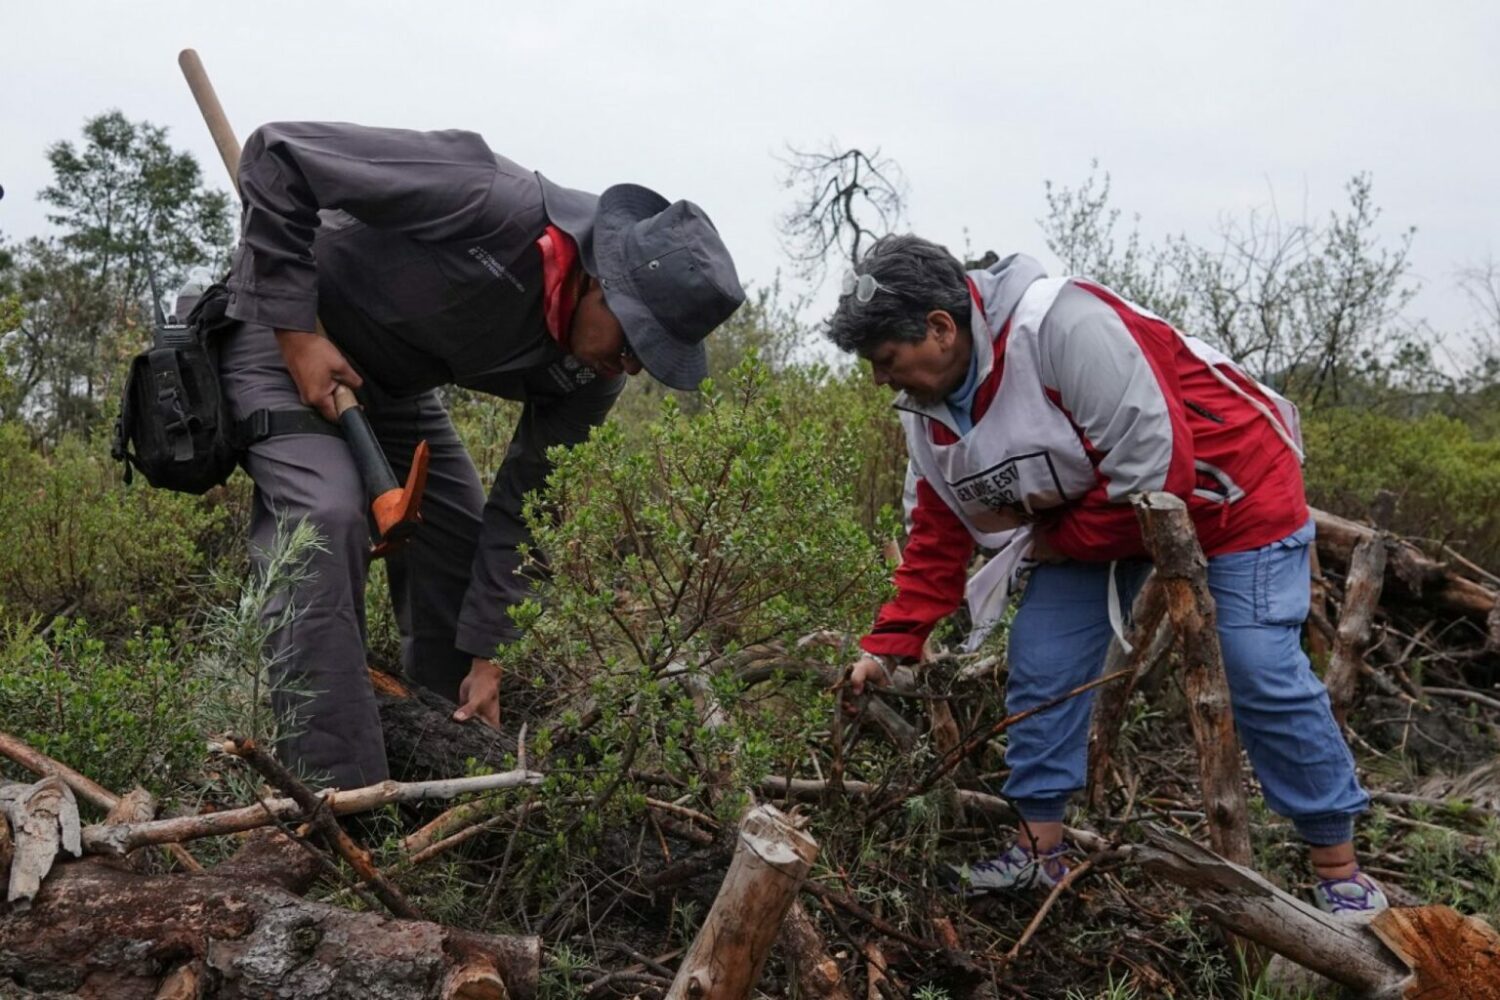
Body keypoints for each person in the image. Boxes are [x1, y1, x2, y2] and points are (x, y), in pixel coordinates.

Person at [828, 234, 1386, 917]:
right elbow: (937, 535)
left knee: (1256, 663)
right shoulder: (929, 415)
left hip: (1233, 495)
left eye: (887, 360)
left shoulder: (1061, 326)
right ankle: (1039, 854)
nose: (882, 380)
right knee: (1042, 660)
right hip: (1097, 512)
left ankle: (1341, 872)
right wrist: (889, 645)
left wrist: (1059, 537)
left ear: (941, 328)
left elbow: (1158, 472)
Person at [220, 121, 744, 791]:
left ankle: (440, 770)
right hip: (279, 339)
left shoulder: (594, 373)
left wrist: (489, 656)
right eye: (636, 338)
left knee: (462, 556)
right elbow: (276, 157)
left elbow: (527, 509)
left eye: (651, 355)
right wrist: (296, 335)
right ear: (601, 281)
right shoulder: (485, 197)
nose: (632, 366)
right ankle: (332, 804)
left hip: (392, 386)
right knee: (327, 522)